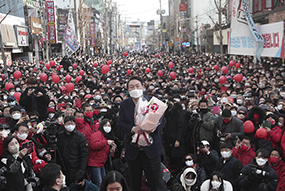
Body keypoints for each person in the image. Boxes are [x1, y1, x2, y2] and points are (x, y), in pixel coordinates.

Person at [118, 76, 166, 191]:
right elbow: (120, 124)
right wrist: (132, 129)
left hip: (151, 149)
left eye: (137, 86)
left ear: (143, 87)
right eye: (131, 87)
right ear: (128, 90)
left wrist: (154, 127)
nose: (135, 88)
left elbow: (163, 120)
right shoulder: (125, 104)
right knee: (134, 183)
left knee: (156, 182)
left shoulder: (152, 101)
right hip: (133, 149)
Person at [57, 116, 89, 186]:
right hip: (63, 167)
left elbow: (84, 154)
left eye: (72, 123)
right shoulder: (60, 136)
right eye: (68, 123)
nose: (70, 125)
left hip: (75, 167)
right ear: (64, 124)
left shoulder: (80, 137)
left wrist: (81, 170)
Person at [87, 119, 115, 187]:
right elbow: (93, 145)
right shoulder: (97, 134)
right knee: (99, 183)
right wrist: (106, 142)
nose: (107, 127)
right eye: (105, 125)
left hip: (101, 164)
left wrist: (111, 152)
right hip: (94, 163)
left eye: (109, 125)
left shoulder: (106, 136)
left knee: (103, 182)